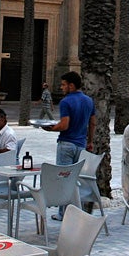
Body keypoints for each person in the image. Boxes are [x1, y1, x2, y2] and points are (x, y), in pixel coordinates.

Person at [42, 71, 96, 221]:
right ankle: (75, 211)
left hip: (66, 144)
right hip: (81, 145)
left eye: (63, 84)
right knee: (75, 179)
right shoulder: (89, 101)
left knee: (64, 179)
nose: (61, 87)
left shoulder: (66, 102)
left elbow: (64, 125)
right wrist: (90, 141)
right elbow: (92, 123)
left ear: (71, 86)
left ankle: (63, 213)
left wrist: (51, 128)